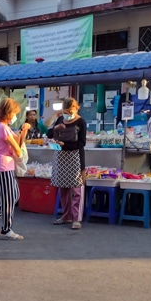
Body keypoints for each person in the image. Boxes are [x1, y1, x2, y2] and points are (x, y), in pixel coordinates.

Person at [0, 98, 27, 241]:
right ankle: (6, 229)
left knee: (13, 196)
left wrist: (23, 132)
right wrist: (21, 156)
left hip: (5, 165)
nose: (15, 116)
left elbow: (18, 142)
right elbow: (17, 149)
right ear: (8, 113)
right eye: (14, 113)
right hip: (3, 166)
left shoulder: (4, 127)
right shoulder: (3, 128)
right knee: (8, 198)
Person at [48, 97, 87, 230]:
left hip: (75, 157)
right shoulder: (60, 119)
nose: (68, 114)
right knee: (63, 188)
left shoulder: (81, 122)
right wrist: (55, 128)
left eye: (70, 111)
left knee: (77, 188)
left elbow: (82, 143)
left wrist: (66, 144)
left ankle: (76, 218)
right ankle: (66, 216)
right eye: (65, 111)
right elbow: (49, 134)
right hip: (60, 157)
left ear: (77, 108)